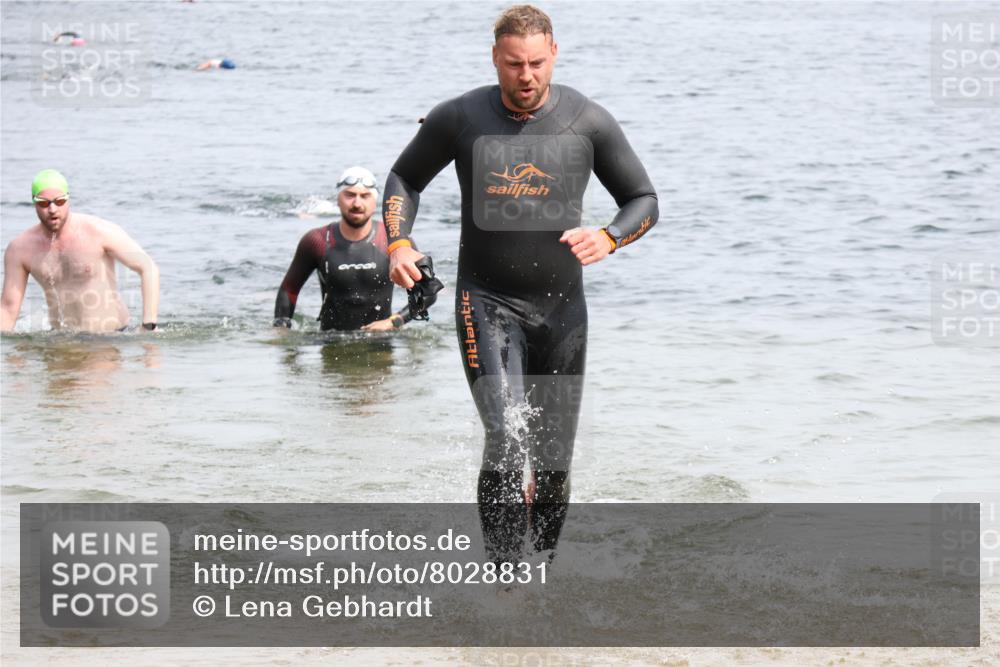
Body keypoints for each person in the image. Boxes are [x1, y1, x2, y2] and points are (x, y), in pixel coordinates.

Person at [382, 5, 658, 564]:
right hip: (486, 302)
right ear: (495, 59)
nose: (526, 76)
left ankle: (543, 578)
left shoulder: (588, 121)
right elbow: (405, 179)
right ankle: (504, 582)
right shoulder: (459, 118)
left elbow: (644, 200)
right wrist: (398, 242)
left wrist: (610, 238)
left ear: (554, 53)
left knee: (553, 464)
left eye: (535, 63)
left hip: (562, 311)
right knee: (507, 441)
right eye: (513, 65)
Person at [1, 169, 160, 333]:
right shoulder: (19, 249)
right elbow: (8, 308)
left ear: (68, 199)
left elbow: (148, 268)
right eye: (44, 203)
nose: (53, 209)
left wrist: (149, 325)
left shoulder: (98, 231)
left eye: (60, 201)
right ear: (34, 203)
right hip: (61, 342)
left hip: (109, 338)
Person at [273, 166, 417, 332]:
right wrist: (281, 328)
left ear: (375, 201)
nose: (357, 203)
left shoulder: (393, 241)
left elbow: (427, 292)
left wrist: (394, 322)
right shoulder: (317, 240)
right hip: (330, 342)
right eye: (350, 195)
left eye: (365, 196)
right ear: (338, 199)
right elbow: (289, 289)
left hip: (382, 342)